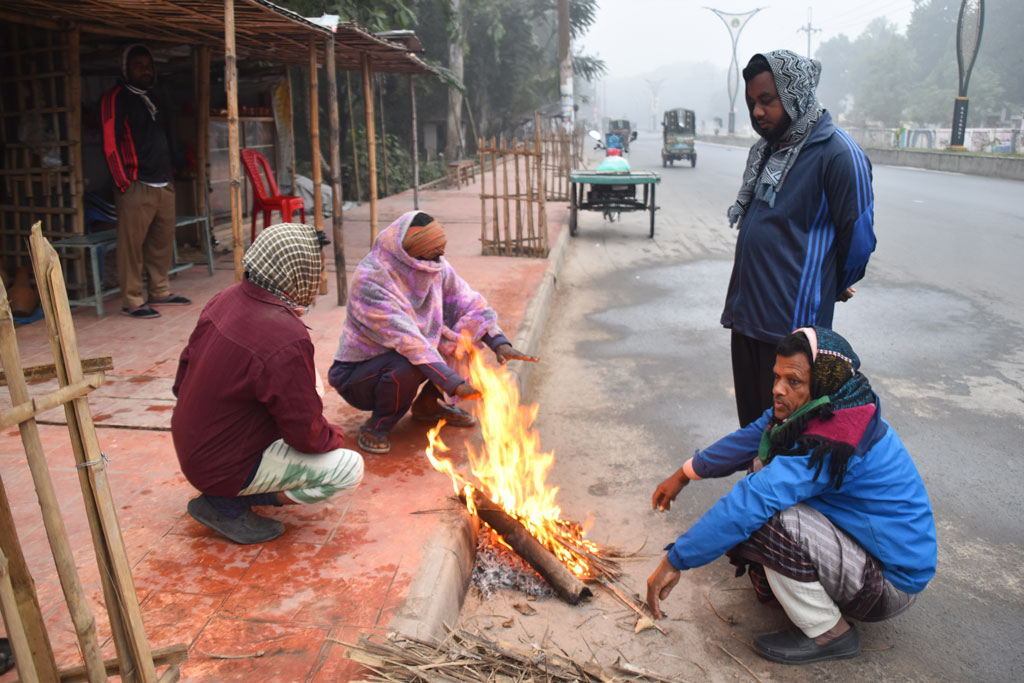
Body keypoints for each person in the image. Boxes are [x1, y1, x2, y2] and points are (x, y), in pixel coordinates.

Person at [647, 327, 936, 665]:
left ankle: (831, 633)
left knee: (767, 516)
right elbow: (752, 437)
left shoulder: (834, 441)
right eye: (777, 377)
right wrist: (685, 473)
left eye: (793, 382)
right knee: (763, 468)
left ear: (823, 382)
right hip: (869, 557)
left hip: (888, 585)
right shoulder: (829, 408)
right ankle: (806, 595)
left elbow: (751, 502)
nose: (777, 390)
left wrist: (675, 560)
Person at [172, 223, 363, 545]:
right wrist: (334, 436)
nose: (318, 279)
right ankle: (227, 504)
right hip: (219, 466)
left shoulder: (225, 298)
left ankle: (228, 491)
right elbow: (306, 436)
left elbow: (182, 378)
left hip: (192, 446)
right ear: (294, 272)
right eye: (315, 269)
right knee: (347, 469)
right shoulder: (285, 336)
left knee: (302, 384)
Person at [723, 50, 876, 427]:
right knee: (754, 431)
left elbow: (857, 242)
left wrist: (833, 283)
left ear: (796, 94)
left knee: (789, 436)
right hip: (748, 319)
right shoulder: (768, 152)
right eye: (752, 102)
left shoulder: (838, 154)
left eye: (767, 100)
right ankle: (757, 484)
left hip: (792, 330)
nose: (758, 112)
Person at [329, 211, 535, 455]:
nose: (440, 258)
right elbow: (411, 343)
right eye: (434, 252)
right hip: (358, 376)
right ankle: (377, 426)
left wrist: (499, 342)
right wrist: (456, 385)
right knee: (408, 364)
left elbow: (468, 303)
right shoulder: (371, 281)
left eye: (442, 250)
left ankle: (427, 406)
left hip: (408, 353)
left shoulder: (434, 266)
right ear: (409, 252)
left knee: (461, 340)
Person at [101, 44, 191, 319]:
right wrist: (124, 182)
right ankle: (132, 299)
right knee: (131, 246)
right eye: (139, 65)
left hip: (163, 183)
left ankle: (160, 290)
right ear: (126, 68)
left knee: (161, 242)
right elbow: (109, 143)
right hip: (135, 184)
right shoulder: (116, 98)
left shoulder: (152, 98)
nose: (145, 70)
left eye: (149, 65)